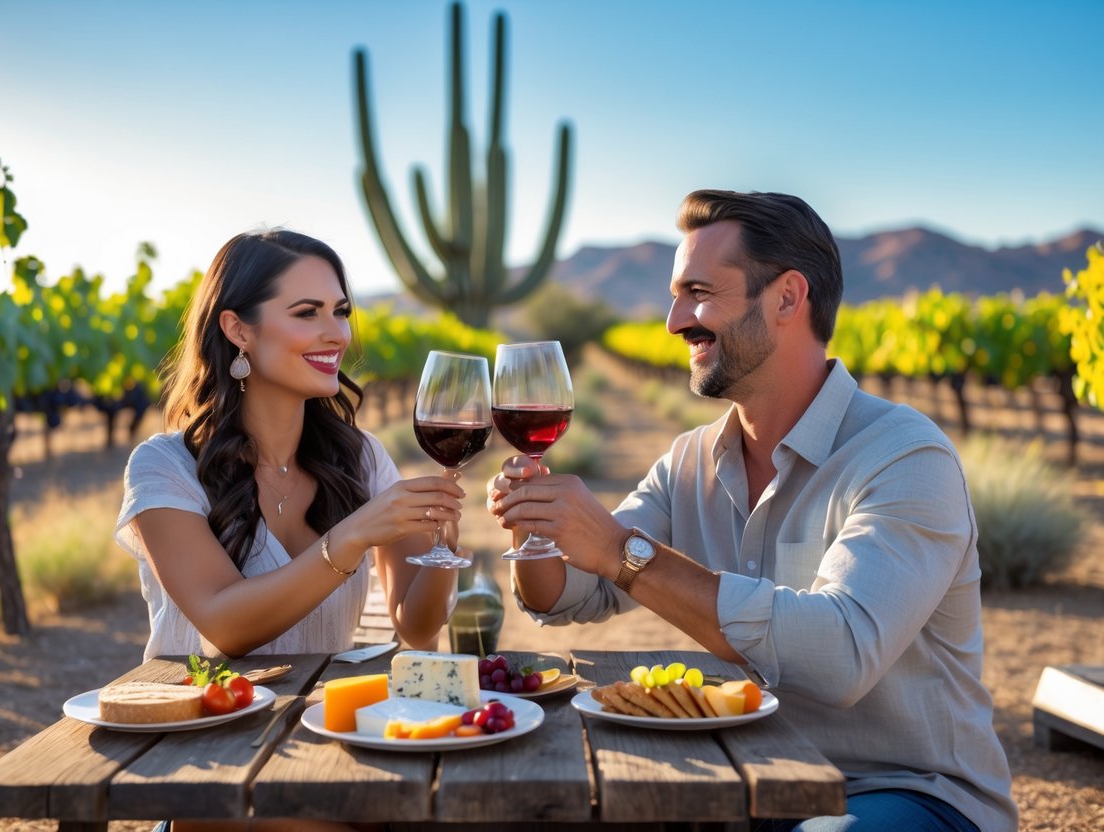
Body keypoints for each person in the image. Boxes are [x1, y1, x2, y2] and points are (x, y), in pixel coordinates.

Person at [487, 190, 1017, 832]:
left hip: (900, 793)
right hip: (747, 777)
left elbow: (841, 655)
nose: (675, 321)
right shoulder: (690, 460)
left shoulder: (906, 459)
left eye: (699, 292)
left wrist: (623, 552)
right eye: (675, 296)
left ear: (788, 298)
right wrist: (536, 524)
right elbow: (572, 596)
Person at [117, 228, 462, 832]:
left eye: (341, 311)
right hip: (205, 759)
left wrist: (440, 547)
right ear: (238, 330)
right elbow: (227, 625)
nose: (336, 333)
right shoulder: (165, 466)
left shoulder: (360, 458)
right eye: (307, 313)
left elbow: (417, 624)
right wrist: (349, 538)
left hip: (325, 743)